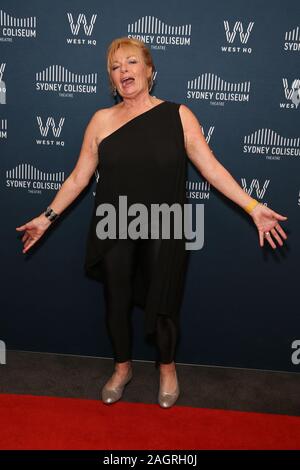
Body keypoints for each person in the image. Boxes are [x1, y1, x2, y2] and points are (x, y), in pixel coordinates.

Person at [16, 37, 288, 409]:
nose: (124, 70)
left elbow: (210, 168)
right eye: (116, 66)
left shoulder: (178, 115)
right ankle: (122, 367)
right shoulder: (101, 120)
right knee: (116, 301)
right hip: (113, 223)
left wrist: (253, 206)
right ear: (111, 79)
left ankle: (167, 367)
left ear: (149, 70)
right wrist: (46, 219)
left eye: (131, 62)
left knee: (164, 303)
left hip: (168, 223)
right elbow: (79, 177)